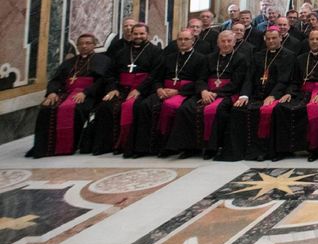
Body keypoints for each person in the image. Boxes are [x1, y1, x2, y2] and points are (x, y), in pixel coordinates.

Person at [165, 30, 248, 159]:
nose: (226, 44)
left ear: (234, 42)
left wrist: (215, 94)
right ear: (217, 42)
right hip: (206, 92)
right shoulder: (209, 58)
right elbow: (200, 78)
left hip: (226, 94)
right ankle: (189, 147)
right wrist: (203, 91)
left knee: (216, 110)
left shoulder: (241, 59)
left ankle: (212, 147)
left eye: (229, 41)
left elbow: (236, 83)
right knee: (185, 109)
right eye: (223, 41)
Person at [27, 34, 111, 157]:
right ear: (77, 46)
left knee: (76, 109)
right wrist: (52, 93)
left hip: (89, 94)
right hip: (66, 93)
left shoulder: (102, 60)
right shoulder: (69, 62)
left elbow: (101, 81)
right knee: (47, 109)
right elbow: (56, 80)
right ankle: (45, 147)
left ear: (94, 45)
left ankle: (70, 145)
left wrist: (85, 92)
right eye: (81, 43)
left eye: (88, 43)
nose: (84, 46)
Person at [128, 28, 203, 158]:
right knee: (144, 106)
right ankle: (144, 148)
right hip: (164, 91)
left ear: (193, 41)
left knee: (181, 110)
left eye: (186, 39)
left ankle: (175, 147)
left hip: (186, 93)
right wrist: (159, 89)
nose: (183, 42)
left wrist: (178, 91)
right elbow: (157, 78)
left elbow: (200, 80)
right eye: (180, 39)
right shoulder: (168, 58)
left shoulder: (201, 59)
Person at [90, 23, 162, 155]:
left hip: (144, 90)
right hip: (121, 89)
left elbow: (155, 74)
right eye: (136, 34)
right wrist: (113, 88)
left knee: (137, 107)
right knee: (105, 107)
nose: (138, 36)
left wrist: (139, 89)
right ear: (131, 34)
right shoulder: (121, 52)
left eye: (142, 34)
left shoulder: (156, 52)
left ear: (148, 35)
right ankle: (106, 146)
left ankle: (132, 147)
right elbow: (110, 73)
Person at [226, 26, 294, 162]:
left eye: (274, 38)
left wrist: (273, 96)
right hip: (256, 95)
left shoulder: (289, 56)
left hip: (277, 94)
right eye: (268, 39)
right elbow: (249, 78)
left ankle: (269, 151)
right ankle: (243, 151)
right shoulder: (258, 55)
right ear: (264, 39)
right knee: (237, 109)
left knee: (269, 111)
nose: (271, 41)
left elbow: (284, 80)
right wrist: (244, 95)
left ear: (280, 38)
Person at [275, 29, 318, 161]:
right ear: (308, 41)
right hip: (301, 93)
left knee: (316, 108)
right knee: (281, 108)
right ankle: (285, 149)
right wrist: (289, 93)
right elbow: (295, 81)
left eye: (317, 39)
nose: (314, 42)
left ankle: (314, 149)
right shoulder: (300, 58)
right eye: (312, 39)